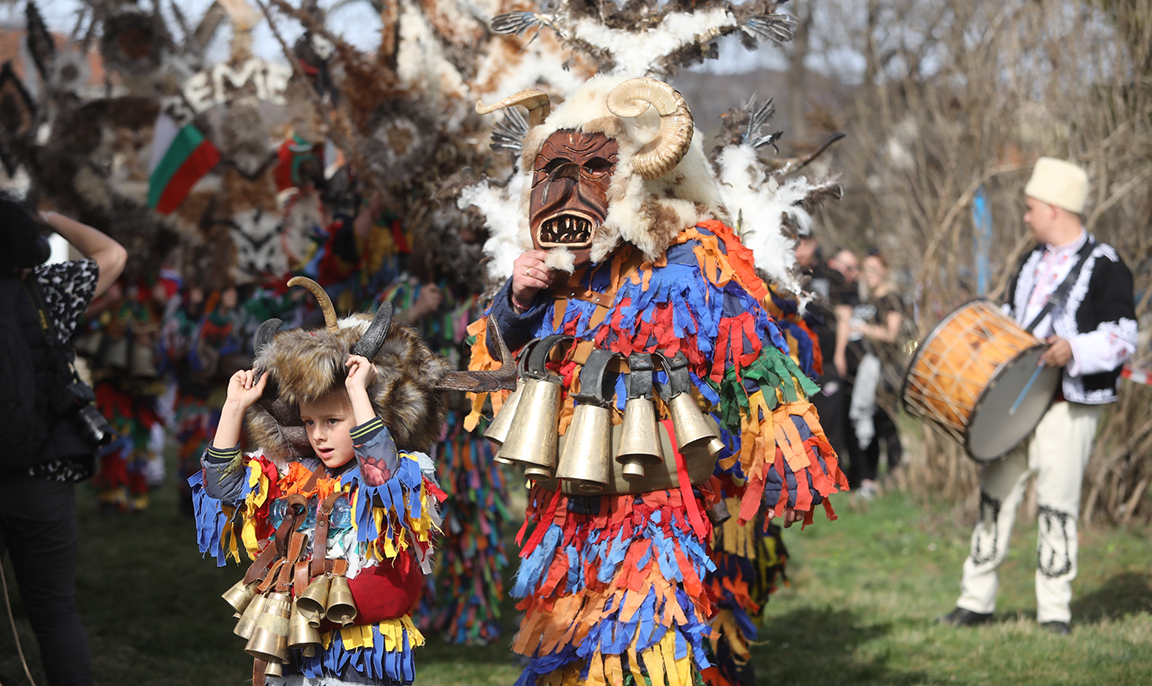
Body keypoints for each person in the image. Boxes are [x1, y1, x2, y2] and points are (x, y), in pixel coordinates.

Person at [465, 75, 846, 686]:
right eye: (552, 170)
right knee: (565, 649)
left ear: (633, 177)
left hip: (658, 500)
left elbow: (751, 356)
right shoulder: (555, 271)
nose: (564, 191)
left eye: (588, 170)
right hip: (566, 505)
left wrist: (785, 456)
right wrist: (517, 300)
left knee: (647, 646)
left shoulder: (693, 255)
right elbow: (494, 369)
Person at [190, 279, 450, 685]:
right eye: (309, 423)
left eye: (332, 422)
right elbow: (222, 488)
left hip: (362, 650)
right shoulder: (291, 473)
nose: (319, 435)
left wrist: (359, 393)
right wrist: (234, 407)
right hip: (293, 639)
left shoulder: (402, 471)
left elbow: (380, 477)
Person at [940, 157, 1137, 635]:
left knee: (1057, 505)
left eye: (1031, 208)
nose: (1025, 217)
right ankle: (975, 600)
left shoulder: (1107, 265)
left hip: (1068, 405)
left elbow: (1124, 337)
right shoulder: (1031, 260)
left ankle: (1054, 612)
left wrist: (1074, 348)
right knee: (995, 496)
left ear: (1054, 208)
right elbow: (1012, 316)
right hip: (1013, 404)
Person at [0, 196, 126, 686]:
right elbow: (112, 255)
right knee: (54, 612)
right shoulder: (47, 289)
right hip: (44, 469)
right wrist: (46, 216)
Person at [845, 249, 905, 498]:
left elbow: (892, 334)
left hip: (887, 371)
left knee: (885, 424)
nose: (868, 275)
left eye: (873, 269)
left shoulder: (890, 299)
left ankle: (895, 475)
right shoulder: (869, 300)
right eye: (865, 269)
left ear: (885, 271)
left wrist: (864, 329)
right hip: (870, 371)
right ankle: (872, 479)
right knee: (870, 421)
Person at [798, 237, 859, 463]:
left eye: (804, 243)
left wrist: (840, 353)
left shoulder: (830, 276)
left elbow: (844, 317)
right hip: (797, 362)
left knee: (831, 417)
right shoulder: (785, 274)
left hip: (827, 360)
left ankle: (833, 469)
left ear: (814, 242)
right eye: (796, 243)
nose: (800, 249)